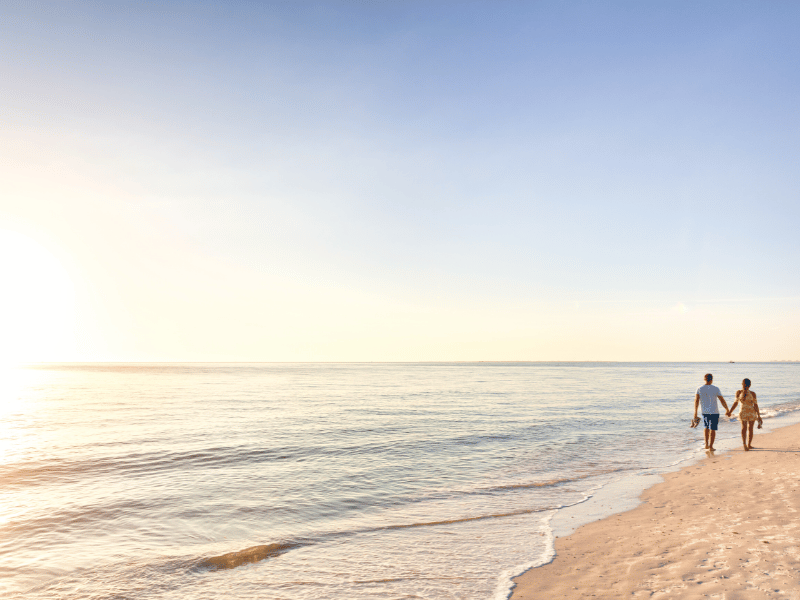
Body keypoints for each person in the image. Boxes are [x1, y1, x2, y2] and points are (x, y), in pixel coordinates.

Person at [693, 373, 729, 451]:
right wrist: (727, 409)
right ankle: (711, 446)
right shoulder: (716, 388)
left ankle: (706, 444)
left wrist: (695, 412)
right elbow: (722, 400)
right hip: (715, 412)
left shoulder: (699, 388)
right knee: (713, 429)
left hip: (705, 412)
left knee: (706, 427)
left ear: (704, 379)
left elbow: (696, 401)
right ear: (712, 380)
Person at [726, 378, 762, 451]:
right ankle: (749, 444)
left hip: (743, 412)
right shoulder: (752, 393)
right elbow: (755, 405)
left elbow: (735, 403)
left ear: (742, 384)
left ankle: (745, 444)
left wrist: (730, 411)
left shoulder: (739, 392)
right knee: (750, 429)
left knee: (743, 429)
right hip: (751, 412)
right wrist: (759, 416)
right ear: (750, 385)